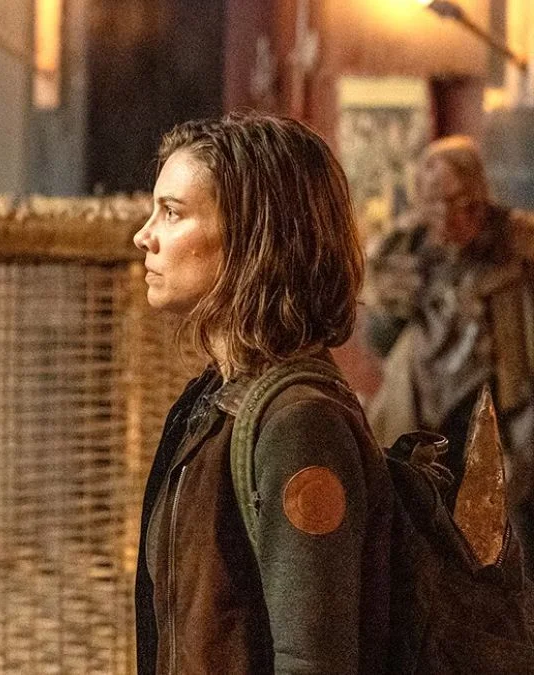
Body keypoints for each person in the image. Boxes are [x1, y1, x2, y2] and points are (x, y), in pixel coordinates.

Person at [133, 114, 391, 673]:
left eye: (172, 212)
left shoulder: (300, 424)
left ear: (252, 238)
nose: (144, 235)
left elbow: (314, 660)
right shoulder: (215, 400)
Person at [365, 135, 534, 577]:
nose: (445, 215)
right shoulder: (407, 249)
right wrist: (393, 305)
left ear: (478, 195)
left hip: (504, 405)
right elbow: (379, 340)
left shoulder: (515, 242)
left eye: (457, 202)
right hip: (428, 409)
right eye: (432, 203)